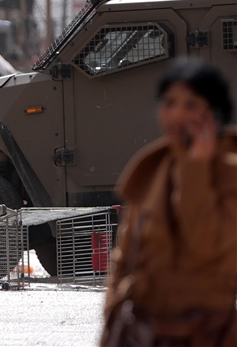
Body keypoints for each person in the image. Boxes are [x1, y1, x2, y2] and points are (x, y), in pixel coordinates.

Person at [101, 58, 236, 347]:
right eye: (170, 103)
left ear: (213, 111)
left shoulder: (230, 172)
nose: (176, 114)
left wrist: (195, 168)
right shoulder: (153, 168)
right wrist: (112, 318)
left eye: (190, 105)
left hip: (208, 335)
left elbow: (205, 243)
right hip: (144, 334)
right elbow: (124, 259)